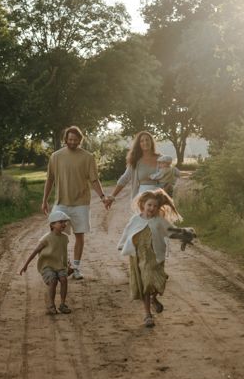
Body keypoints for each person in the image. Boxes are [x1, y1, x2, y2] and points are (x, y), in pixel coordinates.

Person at [41, 125, 112, 280]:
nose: (72, 142)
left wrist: (102, 197)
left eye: (75, 140)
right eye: (70, 139)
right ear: (65, 139)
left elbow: (94, 180)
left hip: (81, 203)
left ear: (80, 140)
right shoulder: (56, 156)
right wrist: (45, 200)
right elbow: (50, 180)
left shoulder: (88, 157)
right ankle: (63, 266)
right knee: (58, 237)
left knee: (79, 236)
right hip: (61, 203)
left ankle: (77, 267)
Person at [117, 189, 181, 328]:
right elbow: (128, 231)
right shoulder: (136, 219)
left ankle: (153, 298)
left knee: (159, 281)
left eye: (155, 206)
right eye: (149, 205)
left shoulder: (159, 220)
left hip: (155, 257)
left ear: (158, 208)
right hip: (141, 257)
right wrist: (122, 244)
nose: (152, 208)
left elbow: (171, 230)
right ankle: (147, 315)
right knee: (146, 283)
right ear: (143, 205)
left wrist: (185, 235)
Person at [18, 209, 74, 315]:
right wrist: (25, 265)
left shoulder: (64, 238)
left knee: (63, 279)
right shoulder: (47, 238)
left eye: (64, 222)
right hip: (47, 265)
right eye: (60, 222)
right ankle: (51, 305)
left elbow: (64, 252)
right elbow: (35, 251)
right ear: (52, 224)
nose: (64, 224)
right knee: (53, 281)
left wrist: (68, 264)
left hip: (60, 265)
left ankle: (62, 304)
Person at [108, 130, 162, 204]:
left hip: (158, 198)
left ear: (151, 142)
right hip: (141, 199)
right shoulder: (135, 161)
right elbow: (125, 178)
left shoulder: (161, 159)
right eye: (142, 141)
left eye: (147, 140)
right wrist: (112, 196)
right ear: (139, 144)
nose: (145, 142)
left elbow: (169, 177)